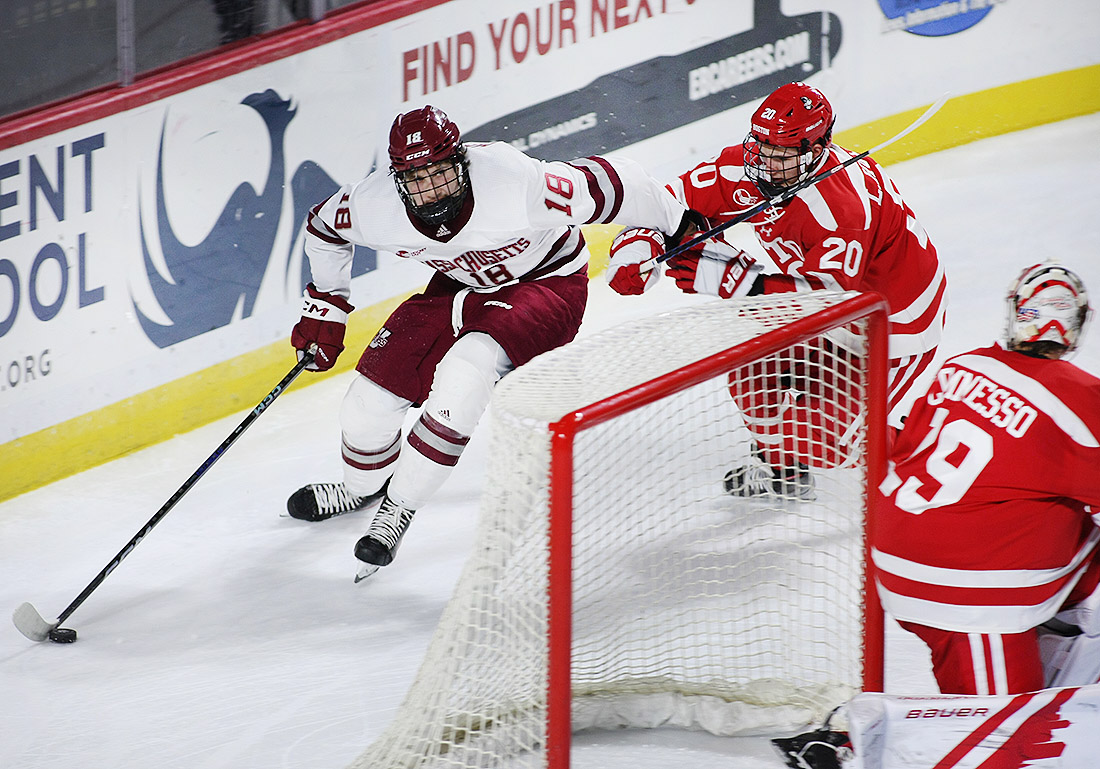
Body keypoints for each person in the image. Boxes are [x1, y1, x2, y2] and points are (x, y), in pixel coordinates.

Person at [286, 105, 691, 578]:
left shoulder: (515, 182)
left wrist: (680, 223)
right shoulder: (375, 205)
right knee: (367, 404)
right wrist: (327, 303)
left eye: (438, 173)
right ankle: (361, 487)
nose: (430, 190)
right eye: (415, 180)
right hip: (457, 289)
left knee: (465, 374)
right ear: (397, 181)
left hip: (547, 285)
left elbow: (622, 181)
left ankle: (398, 509)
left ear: (461, 161)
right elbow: (323, 227)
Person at [605, 81, 947, 501]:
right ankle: (781, 466)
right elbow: (666, 202)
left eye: (781, 154)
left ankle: (936, 447)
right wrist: (637, 246)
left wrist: (734, 279)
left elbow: (830, 301)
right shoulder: (744, 167)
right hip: (817, 297)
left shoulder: (842, 208)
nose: (765, 163)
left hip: (892, 323)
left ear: (815, 149)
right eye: (761, 146)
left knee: (828, 445)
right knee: (749, 370)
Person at [873, 262, 1099, 694]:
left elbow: (901, 448)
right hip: (968, 595)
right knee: (1000, 743)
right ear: (1077, 324)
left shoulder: (964, 364)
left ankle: (1060, 647)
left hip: (897, 556)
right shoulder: (1085, 399)